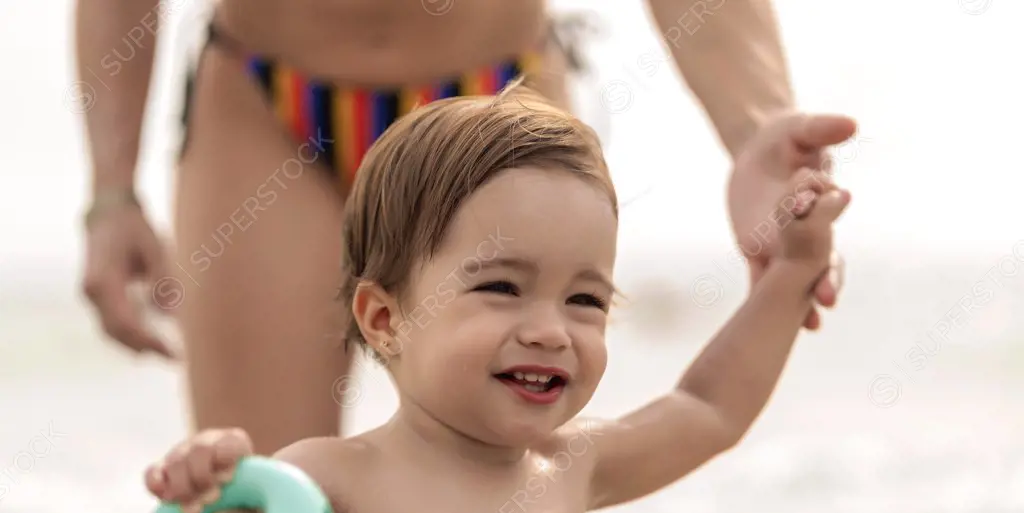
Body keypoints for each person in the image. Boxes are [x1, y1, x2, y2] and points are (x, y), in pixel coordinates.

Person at [144, 85, 855, 513]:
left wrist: (791, 275)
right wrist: (209, 492)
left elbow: (708, 408)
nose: (552, 329)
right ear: (386, 318)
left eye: (585, 300)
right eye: (503, 287)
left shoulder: (571, 467)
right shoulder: (328, 480)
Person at [76, 0, 842, 455]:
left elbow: (707, 414)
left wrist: (755, 129)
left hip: (495, 97)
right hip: (265, 100)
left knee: (501, 497)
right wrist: (111, 191)